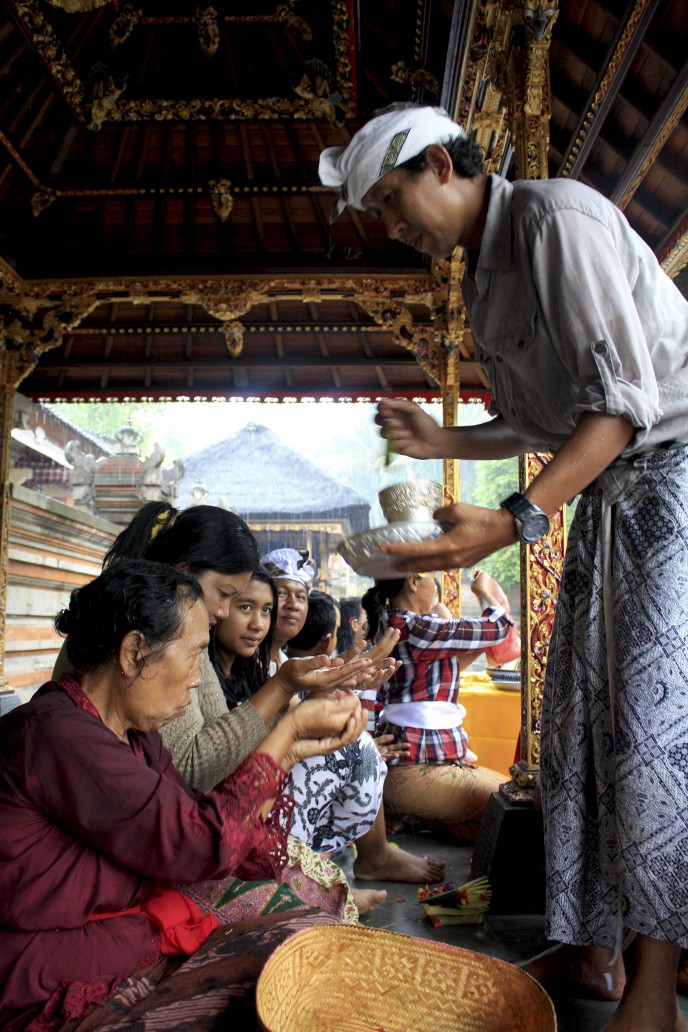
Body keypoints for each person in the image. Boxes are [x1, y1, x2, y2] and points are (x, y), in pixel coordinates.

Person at [320, 101, 688, 1030]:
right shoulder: (484, 283)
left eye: (396, 202)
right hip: (610, 493)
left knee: (649, 737)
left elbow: (620, 409)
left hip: (673, 477)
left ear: (444, 162)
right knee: (576, 729)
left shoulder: (554, 220)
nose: (394, 228)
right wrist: (445, 434)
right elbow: (545, 419)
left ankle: (653, 982)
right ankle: (591, 940)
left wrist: (513, 519)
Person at [0, 560, 366, 1029]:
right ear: (135, 653)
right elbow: (200, 842)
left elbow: (196, 818)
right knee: (294, 952)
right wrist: (289, 731)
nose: (196, 680)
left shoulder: (135, 733)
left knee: (312, 922)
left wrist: (292, 749)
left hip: (118, 926)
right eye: (194, 656)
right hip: (43, 963)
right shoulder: (56, 733)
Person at [263, 546, 446, 885]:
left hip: (276, 780)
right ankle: (309, 879)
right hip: (257, 801)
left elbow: (300, 722)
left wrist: (344, 679)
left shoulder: (281, 658)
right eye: (281, 596)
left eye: (300, 596)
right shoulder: (259, 661)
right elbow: (287, 732)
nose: (292, 605)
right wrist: (341, 683)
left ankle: (353, 863)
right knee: (358, 745)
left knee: (359, 742)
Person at [211, 566, 386, 916]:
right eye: (245, 607)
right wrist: (294, 735)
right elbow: (211, 765)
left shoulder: (258, 666)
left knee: (356, 747)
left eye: (265, 610)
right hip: (228, 817)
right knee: (347, 750)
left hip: (252, 800)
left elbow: (293, 722)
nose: (259, 622)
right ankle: (306, 885)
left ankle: (313, 876)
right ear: (218, 607)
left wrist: (332, 689)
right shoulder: (213, 669)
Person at [362, 569, 512, 839]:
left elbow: (445, 667)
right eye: (433, 576)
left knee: (489, 825)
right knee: (516, 806)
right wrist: (482, 591)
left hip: (416, 767)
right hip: (416, 770)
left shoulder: (400, 624)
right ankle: (408, 810)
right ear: (413, 581)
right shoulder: (415, 628)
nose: (436, 585)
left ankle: (414, 816)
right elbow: (499, 628)